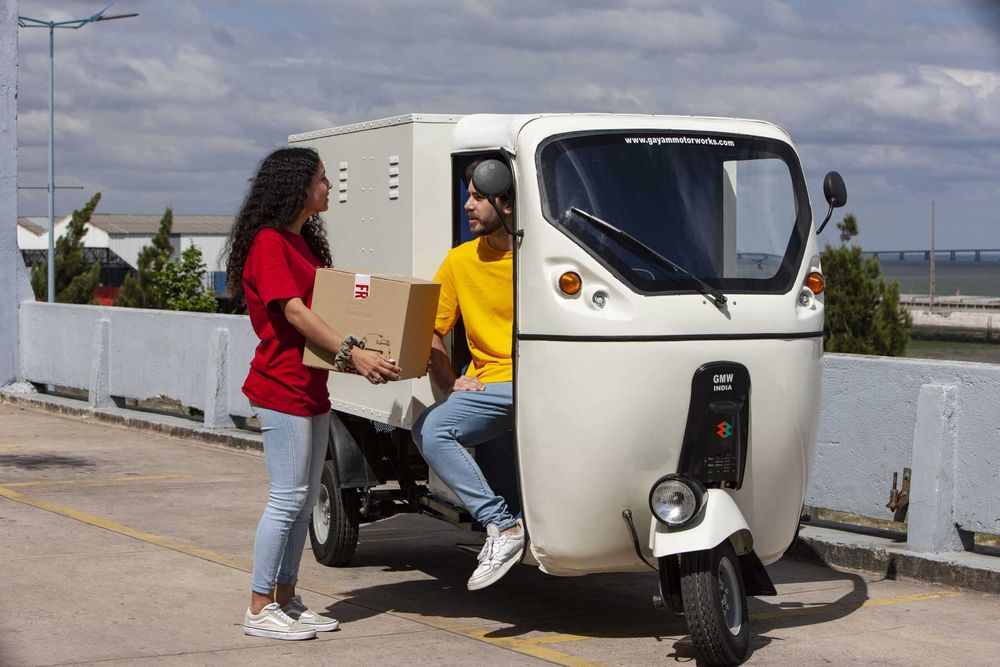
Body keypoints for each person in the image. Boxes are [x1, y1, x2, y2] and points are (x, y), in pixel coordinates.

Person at [224, 147, 401, 640]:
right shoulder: (268, 243)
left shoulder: (302, 244)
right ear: (298, 187)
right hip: (280, 387)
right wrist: (354, 354)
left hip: (311, 387)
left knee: (302, 504)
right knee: (286, 499)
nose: (330, 187)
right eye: (323, 179)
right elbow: (297, 313)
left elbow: (330, 306)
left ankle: (286, 597)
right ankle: (259, 606)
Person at [412, 158, 523, 591]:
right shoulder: (460, 261)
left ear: (507, 203)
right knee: (431, 429)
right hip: (493, 383)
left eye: (477, 197)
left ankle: (506, 527)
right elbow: (430, 329)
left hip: (545, 380)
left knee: (432, 430)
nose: (467, 206)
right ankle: (505, 525)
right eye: (468, 196)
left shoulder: (544, 256)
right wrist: (447, 378)